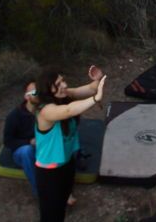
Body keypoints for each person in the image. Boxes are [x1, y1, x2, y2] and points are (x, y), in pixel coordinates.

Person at [34, 66, 105, 222]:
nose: (64, 86)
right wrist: (95, 99)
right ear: (48, 90)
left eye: (63, 81)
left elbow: (89, 89)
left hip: (66, 163)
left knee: (61, 209)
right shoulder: (45, 111)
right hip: (49, 172)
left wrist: (97, 80)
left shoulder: (64, 95)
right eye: (58, 84)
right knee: (51, 215)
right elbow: (68, 111)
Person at [3, 81, 40, 197]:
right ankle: (40, 191)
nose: (38, 94)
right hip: (23, 150)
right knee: (26, 151)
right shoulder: (15, 116)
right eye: (34, 92)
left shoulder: (45, 110)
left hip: (43, 147)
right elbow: (8, 141)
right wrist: (29, 142)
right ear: (26, 96)